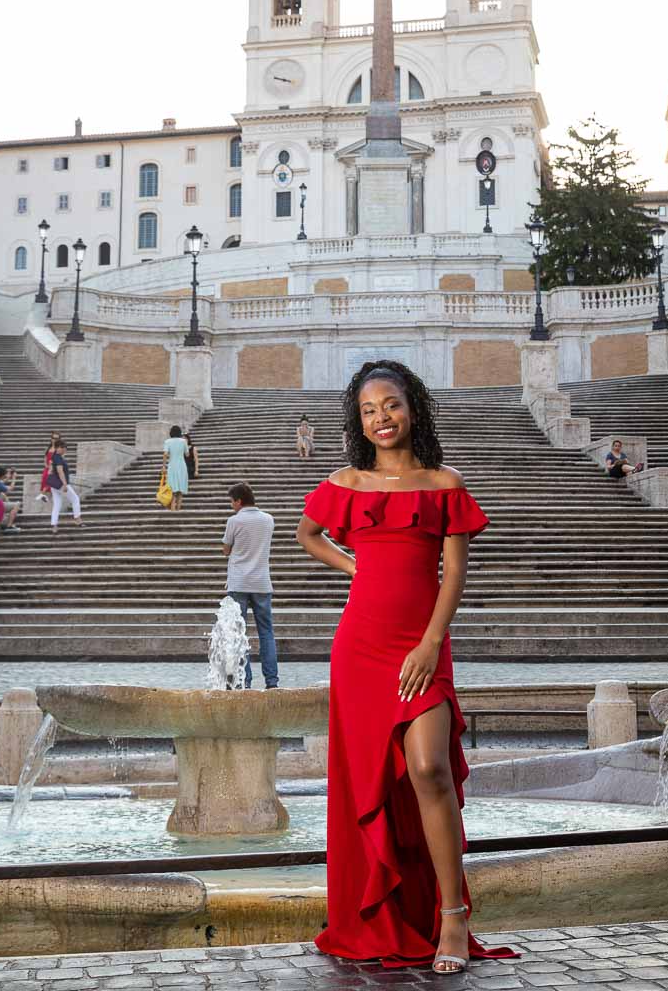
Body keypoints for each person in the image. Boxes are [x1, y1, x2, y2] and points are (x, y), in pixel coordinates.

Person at [296, 360, 519, 974]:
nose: (381, 419)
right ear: (358, 420)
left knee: (428, 768)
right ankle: (382, 917)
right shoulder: (346, 481)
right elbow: (308, 533)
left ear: (412, 407)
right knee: (372, 782)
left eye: (390, 405)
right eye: (368, 411)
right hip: (361, 648)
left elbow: (455, 578)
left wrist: (429, 644)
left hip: (423, 643)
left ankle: (453, 915)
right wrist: (354, 569)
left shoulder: (444, 483)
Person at [222, 481, 278, 689]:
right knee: (267, 633)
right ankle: (272, 682)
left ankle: (244, 682)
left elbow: (226, 550)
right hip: (262, 583)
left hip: (239, 583)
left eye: (232, 502)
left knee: (238, 633)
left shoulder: (234, 521)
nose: (231, 506)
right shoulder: (268, 520)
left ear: (239, 501)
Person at [49, 440, 82, 534]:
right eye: (64, 449)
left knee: (57, 505)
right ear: (59, 448)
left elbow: (52, 470)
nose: (64, 451)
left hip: (54, 485)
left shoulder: (55, 456)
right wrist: (64, 484)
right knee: (75, 499)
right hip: (61, 484)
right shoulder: (58, 458)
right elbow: (60, 471)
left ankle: (54, 526)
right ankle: (77, 519)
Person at [163, 426, 189, 511]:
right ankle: (178, 509)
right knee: (180, 491)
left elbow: (165, 454)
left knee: (172, 490)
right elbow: (187, 454)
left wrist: (163, 466)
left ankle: (172, 510)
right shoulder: (183, 441)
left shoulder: (167, 441)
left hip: (172, 466)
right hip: (181, 466)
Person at [36, 431, 62, 502]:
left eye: (56, 438)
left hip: (54, 468)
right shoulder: (49, 448)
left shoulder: (59, 449)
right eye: (53, 438)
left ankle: (42, 494)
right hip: (47, 467)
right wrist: (46, 465)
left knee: (49, 478)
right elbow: (45, 458)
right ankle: (44, 495)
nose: (54, 440)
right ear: (51, 439)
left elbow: (60, 459)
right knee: (45, 477)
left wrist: (53, 467)